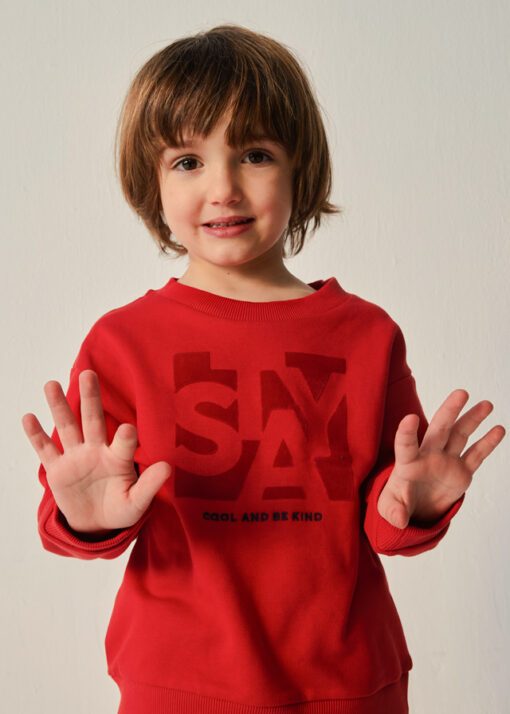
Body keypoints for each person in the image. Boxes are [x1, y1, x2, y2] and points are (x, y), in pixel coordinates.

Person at [21, 23, 505, 714]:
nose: (223, 188)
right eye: (187, 161)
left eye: (254, 154)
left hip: (348, 687)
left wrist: (415, 506)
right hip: (176, 688)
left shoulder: (368, 336)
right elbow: (73, 518)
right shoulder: (121, 342)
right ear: (150, 181)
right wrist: (86, 518)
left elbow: (386, 522)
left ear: (299, 169)